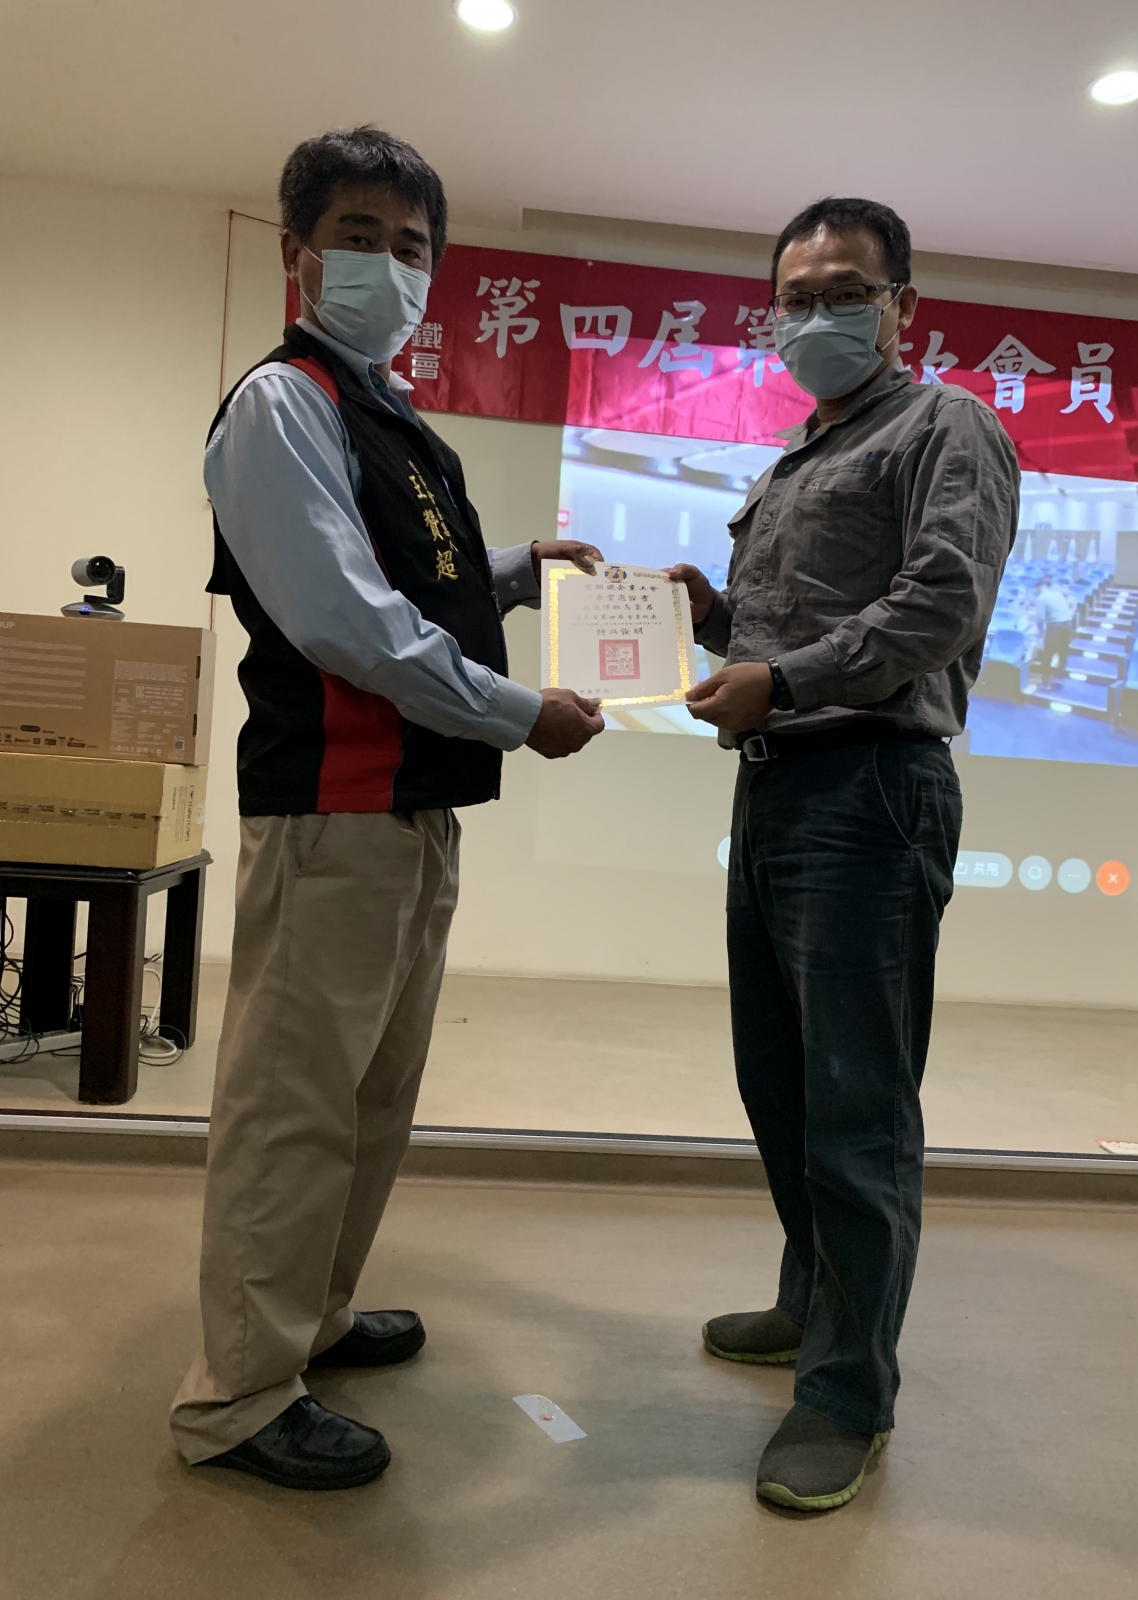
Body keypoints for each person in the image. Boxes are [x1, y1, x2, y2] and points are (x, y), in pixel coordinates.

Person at [170, 126, 605, 1491]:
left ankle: (309, 1318)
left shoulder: (387, 412)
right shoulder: (282, 402)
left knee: (370, 1097)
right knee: (294, 1103)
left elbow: (411, 573)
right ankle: (238, 1397)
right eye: (357, 236)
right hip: (333, 803)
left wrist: (522, 566)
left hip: (410, 806)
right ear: (297, 253)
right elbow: (345, 618)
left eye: (411, 246)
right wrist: (517, 710)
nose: (387, 265)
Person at [667, 196, 1018, 1512]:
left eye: (846, 292)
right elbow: (786, 632)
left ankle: (849, 1394)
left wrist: (784, 677)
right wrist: (713, 620)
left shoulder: (946, 427)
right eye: (796, 297)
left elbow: (940, 605)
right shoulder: (796, 458)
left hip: (871, 790)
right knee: (781, 1085)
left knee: (858, 1109)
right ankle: (811, 1305)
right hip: (777, 789)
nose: (816, 316)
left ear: (902, 306)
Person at [1033, 574, 1077, 684]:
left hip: (1055, 627)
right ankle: (1060, 679)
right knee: (1063, 653)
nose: (1034, 591)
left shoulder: (1041, 598)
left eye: (1035, 589)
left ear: (1039, 587)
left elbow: (1040, 619)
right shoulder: (1058, 594)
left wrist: (1040, 635)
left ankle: (1045, 681)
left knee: (1047, 655)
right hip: (1068, 625)